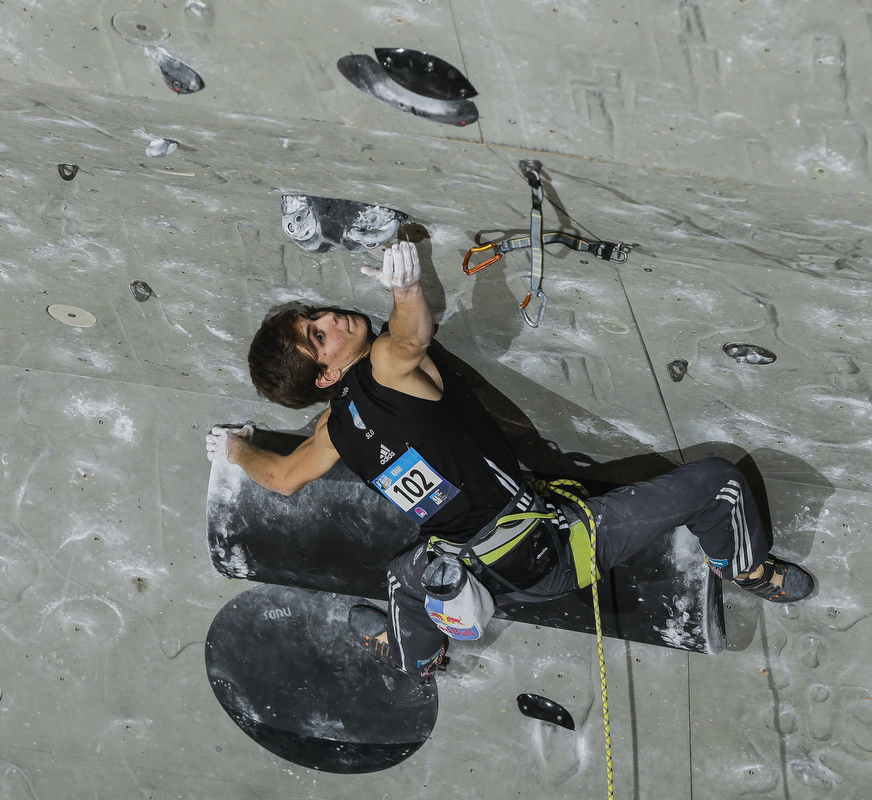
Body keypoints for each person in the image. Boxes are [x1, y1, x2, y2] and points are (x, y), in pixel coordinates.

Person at [206, 241, 814, 683]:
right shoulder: (385, 366)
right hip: (554, 552)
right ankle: (748, 569)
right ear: (327, 374)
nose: (329, 319)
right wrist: (406, 288)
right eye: (318, 336)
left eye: (314, 317)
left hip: (464, 567)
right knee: (719, 485)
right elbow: (410, 339)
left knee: (404, 577)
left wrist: (237, 450)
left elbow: (283, 478)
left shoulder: (334, 429)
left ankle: (414, 655)